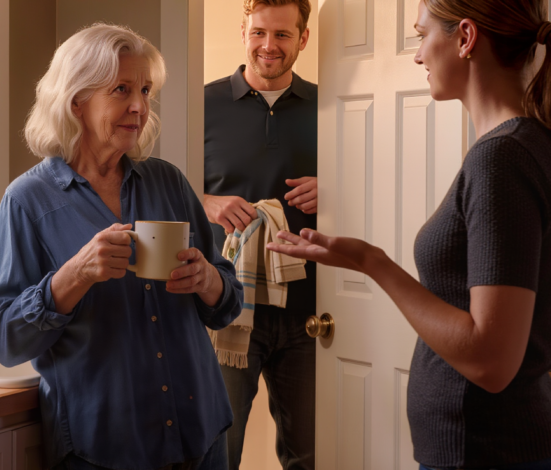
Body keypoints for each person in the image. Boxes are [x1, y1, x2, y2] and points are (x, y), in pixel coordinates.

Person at [268, 0, 551, 469]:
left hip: (489, 451)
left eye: (422, 35)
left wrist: (373, 263)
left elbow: (489, 361)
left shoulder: (502, 159)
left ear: (465, 38)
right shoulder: (526, 144)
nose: (418, 55)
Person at [0, 24, 243, 470]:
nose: (140, 107)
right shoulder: (26, 200)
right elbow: (5, 339)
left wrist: (208, 281)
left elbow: (227, 301)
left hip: (200, 433)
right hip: (104, 448)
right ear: (76, 101)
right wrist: (77, 273)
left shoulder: (169, 182)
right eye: (122, 90)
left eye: (145, 89)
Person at [203, 1, 317, 469]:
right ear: (244, 31)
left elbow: (375, 192)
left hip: (309, 314)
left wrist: (340, 193)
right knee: (219, 450)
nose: (268, 46)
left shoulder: (333, 107)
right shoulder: (201, 103)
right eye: (259, 32)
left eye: (283, 35)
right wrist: (204, 202)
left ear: (303, 38)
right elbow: (158, 188)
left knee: (309, 455)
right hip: (228, 307)